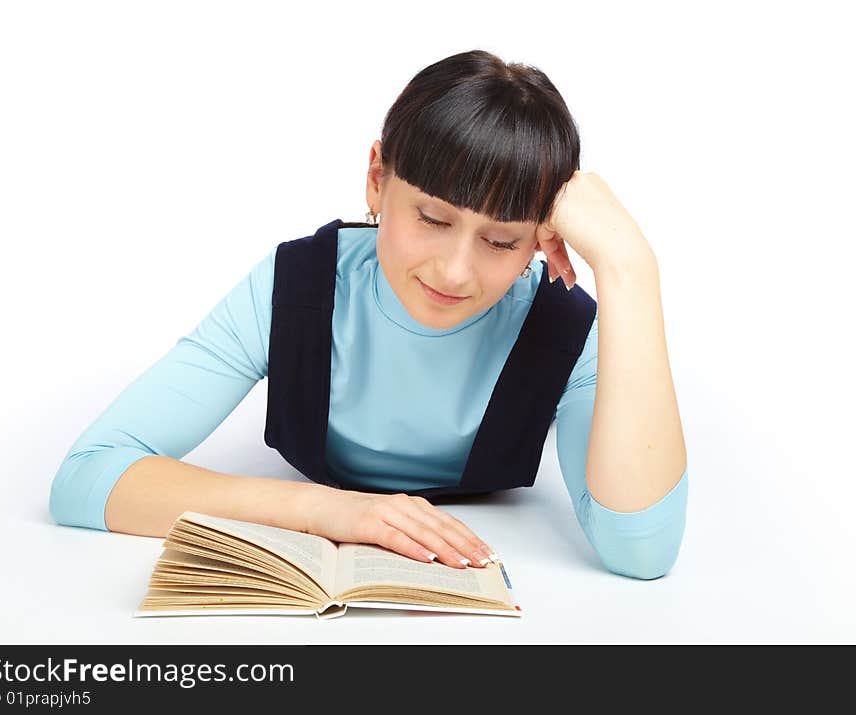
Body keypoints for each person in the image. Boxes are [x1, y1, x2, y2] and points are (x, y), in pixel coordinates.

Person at [49, 49, 689, 579]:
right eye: (432, 219)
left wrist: (630, 267)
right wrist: (324, 511)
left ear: (542, 236)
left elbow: (641, 551)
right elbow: (87, 475)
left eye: (501, 242)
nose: (455, 272)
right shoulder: (296, 287)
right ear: (377, 180)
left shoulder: (563, 325)